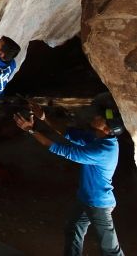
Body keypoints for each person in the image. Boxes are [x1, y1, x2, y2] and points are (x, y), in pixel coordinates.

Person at [14, 102, 124, 256]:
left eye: (102, 118)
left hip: (98, 204)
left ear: (106, 129)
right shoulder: (99, 138)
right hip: (86, 199)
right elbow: (68, 133)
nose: (97, 116)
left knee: (110, 249)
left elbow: (61, 149)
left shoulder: (102, 151)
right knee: (73, 229)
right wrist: (44, 117)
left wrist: (30, 130)